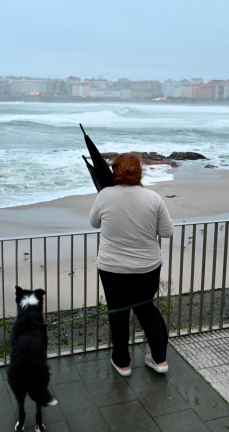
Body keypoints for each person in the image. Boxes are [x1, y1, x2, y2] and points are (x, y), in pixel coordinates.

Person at [88, 153, 174, 376]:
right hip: (147, 267)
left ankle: (123, 362)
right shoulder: (153, 198)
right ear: (140, 171)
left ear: (115, 171)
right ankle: (160, 360)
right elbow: (167, 231)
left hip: (112, 268)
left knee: (118, 312)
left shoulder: (105, 195)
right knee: (146, 309)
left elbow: (94, 222)